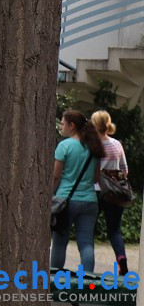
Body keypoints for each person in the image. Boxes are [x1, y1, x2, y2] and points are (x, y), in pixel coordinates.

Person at [51, 109, 104, 272]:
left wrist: (51, 194)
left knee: (60, 242)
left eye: (63, 123)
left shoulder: (64, 146)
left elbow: (56, 176)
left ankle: (54, 280)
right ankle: (87, 282)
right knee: (86, 243)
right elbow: (96, 178)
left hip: (66, 201)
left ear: (71, 125)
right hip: (90, 201)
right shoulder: (93, 147)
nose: (61, 126)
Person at [91, 109, 129, 275]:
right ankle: (121, 258)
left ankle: (87, 265)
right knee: (114, 229)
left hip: (96, 192)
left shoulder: (92, 146)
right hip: (114, 192)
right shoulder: (116, 144)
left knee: (88, 230)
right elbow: (125, 170)